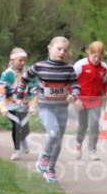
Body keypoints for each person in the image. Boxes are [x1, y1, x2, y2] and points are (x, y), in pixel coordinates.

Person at [16, 37, 80, 182]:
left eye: (65, 50)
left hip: (62, 107)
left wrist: (74, 95)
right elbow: (25, 78)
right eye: (59, 49)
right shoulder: (39, 66)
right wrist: (20, 95)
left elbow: (76, 85)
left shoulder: (68, 69)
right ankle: (45, 156)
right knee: (53, 133)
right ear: (49, 48)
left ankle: (50, 169)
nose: (62, 52)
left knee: (58, 140)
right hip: (46, 107)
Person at [72, 41, 107, 160]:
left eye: (100, 57)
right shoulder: (80, 65)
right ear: (89, 53)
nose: (97, 59)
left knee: (94, 125)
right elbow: (71, 82)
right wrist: (75, 98)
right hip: (81, 100)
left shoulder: (104, 67)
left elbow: (105, 83)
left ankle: (92, 150)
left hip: (96, 100)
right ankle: (78, 145)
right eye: (94, 56)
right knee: (83, 125)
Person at [0, 47, 35, 160]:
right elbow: (0, 92)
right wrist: (2, 107)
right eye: (20, 60)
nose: (23, 63)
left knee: (26, 129)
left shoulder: (29, 72)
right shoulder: (7, 74)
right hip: (11, 105)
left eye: (24, 60)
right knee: (16, 126)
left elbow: (33, 89)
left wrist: (33, 105)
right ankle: (16, 151)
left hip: (24, 104)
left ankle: (23, 139)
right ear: (12, 60)